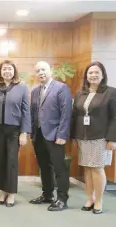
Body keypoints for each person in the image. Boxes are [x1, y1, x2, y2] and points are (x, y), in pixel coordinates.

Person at [70, 61, 116, 214]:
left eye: (97, 72)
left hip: (100, 138)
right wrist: (74, 136)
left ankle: (99, 201)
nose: (93, 75)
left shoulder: (110, 92)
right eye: (90, 72)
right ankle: (89, 198)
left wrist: (113, 139)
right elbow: (75, 116)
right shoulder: (80, 93)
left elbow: (114, 117)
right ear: (86, 76)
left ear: (102, 75)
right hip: (83, 137)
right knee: (87, 169)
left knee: (97, 168)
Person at [0, 60, 31, 207]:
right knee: (0, 160)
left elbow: (26, 111)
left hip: (14, 130)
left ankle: (11, 193)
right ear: (0, 72)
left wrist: (24, 132)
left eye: (10, 69)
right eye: (4, 69)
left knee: (11, 161)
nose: (7, 71)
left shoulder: (22, 88)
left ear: (14, 71)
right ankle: (2, 192)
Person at [29, 61, 72, 211]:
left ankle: (62, 199)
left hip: (55, 136)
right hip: (39, 135)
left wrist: (62, 134)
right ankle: (47, 194)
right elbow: (33, 113)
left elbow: (66, 113)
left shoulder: (61, 88)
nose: (41, 72)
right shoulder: (35, 91)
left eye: (43, 69)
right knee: (44, 166)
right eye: (38, 70)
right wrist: (32, 133)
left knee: (59, 168)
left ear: (50, 71)